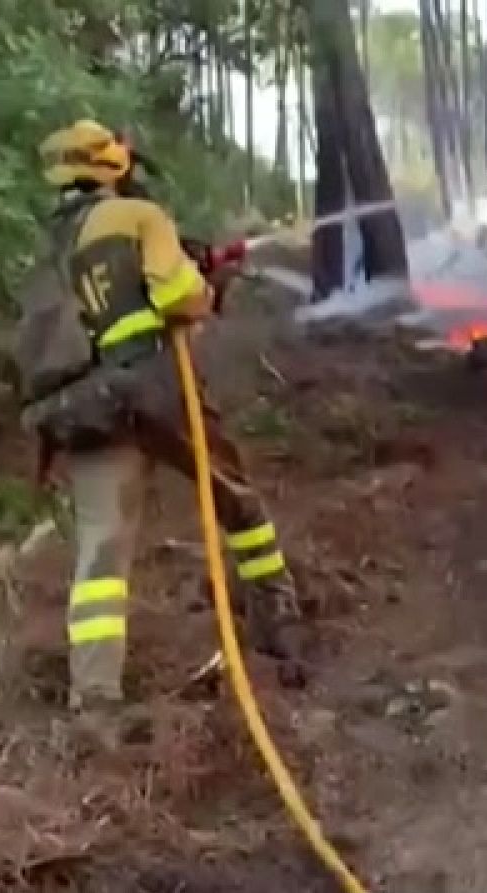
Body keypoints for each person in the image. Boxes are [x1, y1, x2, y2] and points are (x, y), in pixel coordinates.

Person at [22, 120, 308, 748]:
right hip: (154, 390)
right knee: (237, 499)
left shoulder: (51, 245)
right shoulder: (136, 215)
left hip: (85, 408)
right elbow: (178, 296)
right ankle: (277, 618)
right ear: (110, 165)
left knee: (100, 555)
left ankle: (93, 704)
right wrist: (206, 284)